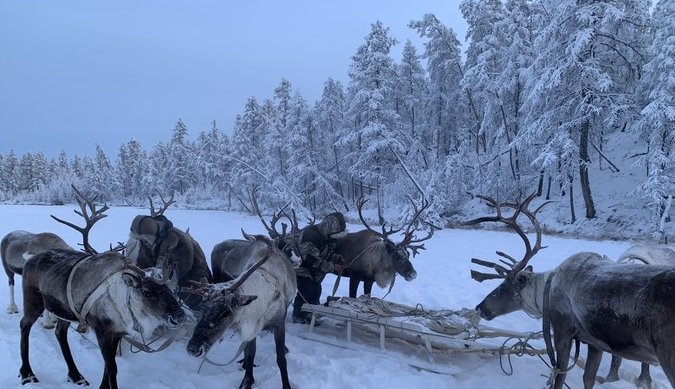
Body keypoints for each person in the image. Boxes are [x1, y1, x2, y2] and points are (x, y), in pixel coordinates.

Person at [292, 212, 347, 324]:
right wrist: (333, 267)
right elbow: (310, 261)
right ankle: (298, 315)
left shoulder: (328, 237)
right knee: (306, 290)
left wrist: (337, 258)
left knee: (316, 290)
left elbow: (325, 253)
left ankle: (311, 311)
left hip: (312, 269)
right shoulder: (310, 237)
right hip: (299, 266)